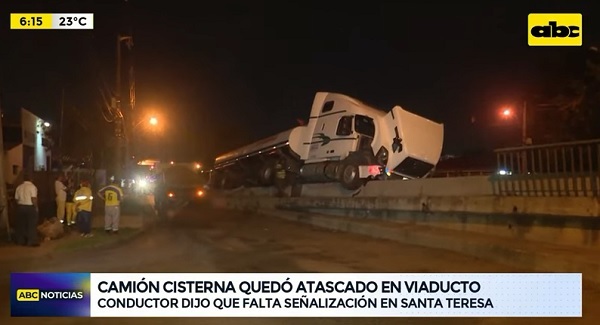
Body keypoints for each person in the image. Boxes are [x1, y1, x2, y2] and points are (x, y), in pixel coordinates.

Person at [14, 174, 40, 247]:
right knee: (31, 224)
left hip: (20, 207)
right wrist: (36, 207)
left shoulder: (19, 187)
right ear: (31, 179)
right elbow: (34, 199)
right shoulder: (32, 187)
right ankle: (31, 241)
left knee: (21, 225)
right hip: (30, 207)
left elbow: (16, 199)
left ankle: (20, 240)